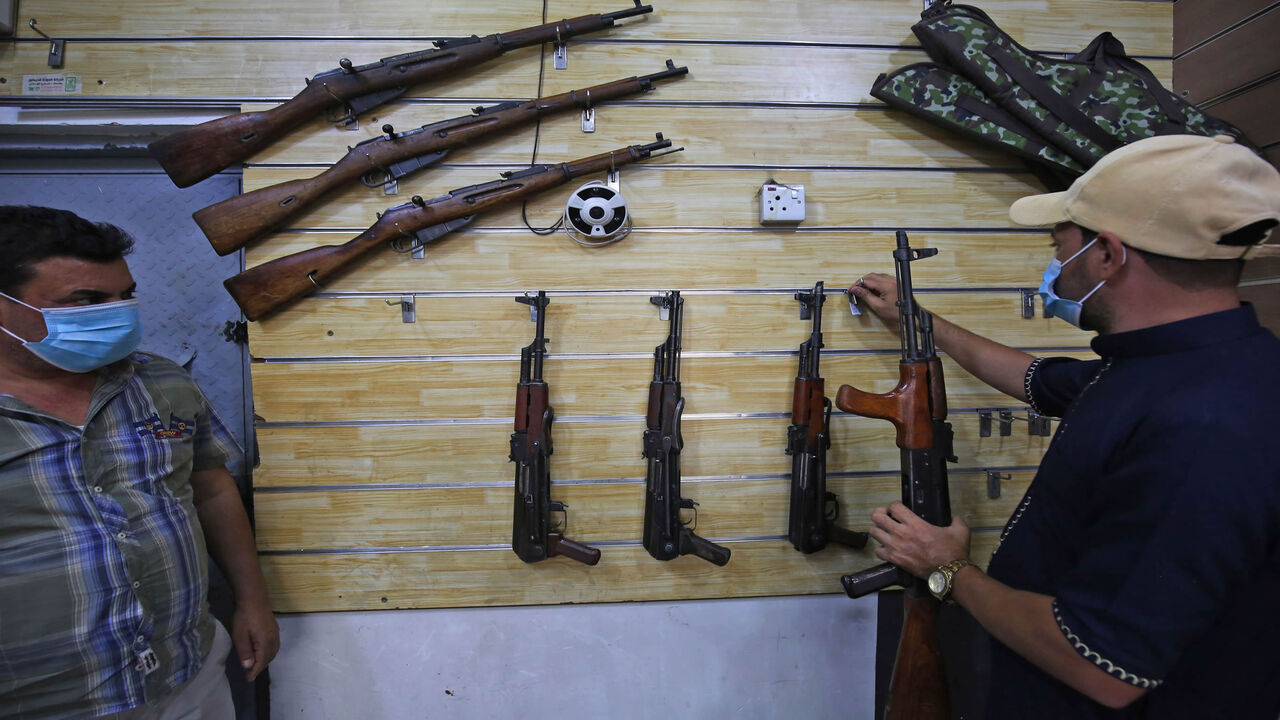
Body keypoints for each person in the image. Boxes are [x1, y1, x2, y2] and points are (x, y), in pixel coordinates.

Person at [847, 134, 1280, 718]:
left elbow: (1102, 665)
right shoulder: (1168, 367)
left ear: (1108, 255)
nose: (1054, 263)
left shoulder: (1207, 426)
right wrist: (920, 323)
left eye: (1061, 245)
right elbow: (1035, 379)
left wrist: (947, 569)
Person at [0, 206, 279, 719]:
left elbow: (212, 490)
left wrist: (252, 600)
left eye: (124, 295)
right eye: (85, 301)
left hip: (186, 672)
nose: (118, 312)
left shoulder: (160, 380)